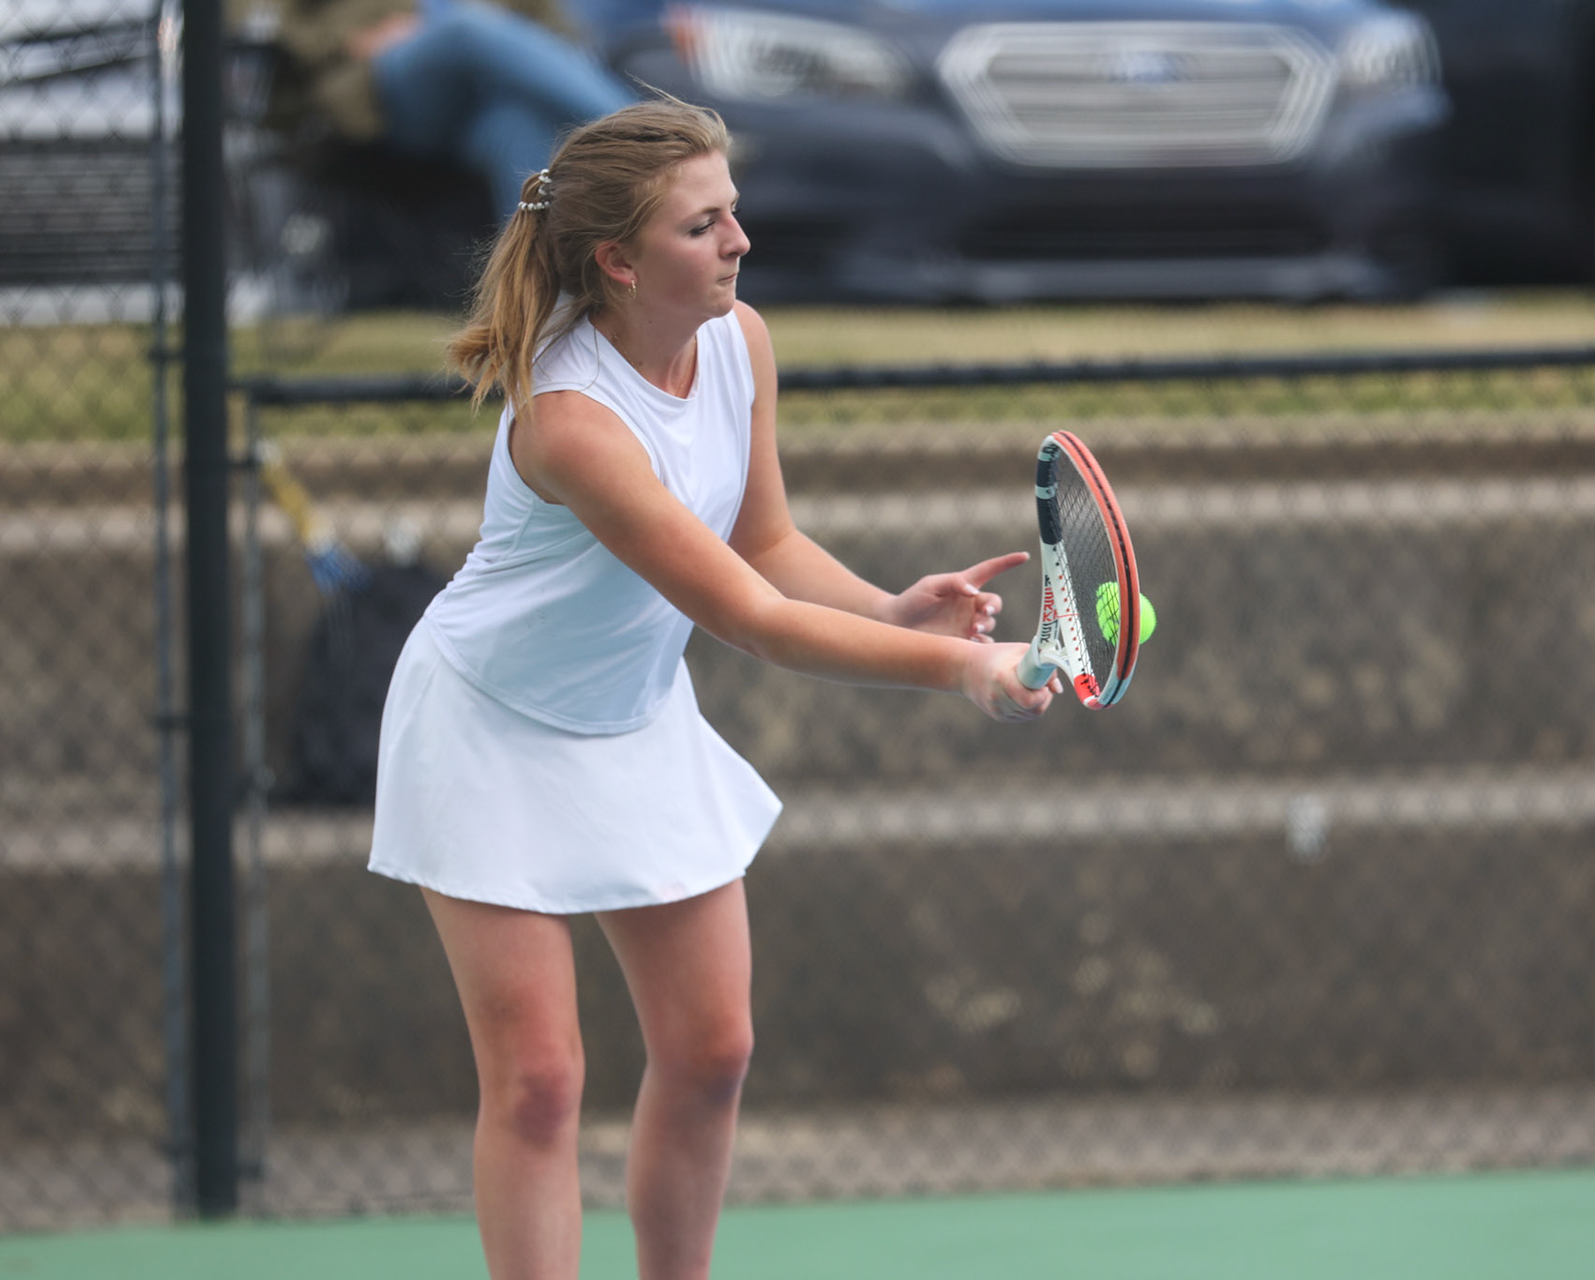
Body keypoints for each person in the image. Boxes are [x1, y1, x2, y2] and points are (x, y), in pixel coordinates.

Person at [366, 98, 1060, 1280]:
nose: (740, 240)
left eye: (734, 212)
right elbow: (745, 617)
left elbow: (767, 544)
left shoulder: (740, 343)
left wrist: (891, 607)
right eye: (705, 226)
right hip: (486, 726)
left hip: (632, 718)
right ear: (620, 261)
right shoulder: (572, 421)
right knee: (538, 1083)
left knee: (713, 1049)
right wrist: (962, 666)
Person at [271, 0, 634, 214]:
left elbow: (560, 33)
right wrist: (346, 40)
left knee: (516, 126)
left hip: (487, 96)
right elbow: (265, 21)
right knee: (465, 29)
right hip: (392, 86)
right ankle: (651, 137)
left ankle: (538, 304)